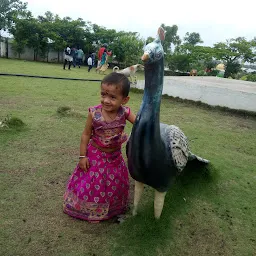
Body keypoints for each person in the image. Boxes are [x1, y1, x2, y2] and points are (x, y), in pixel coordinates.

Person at [63, 72, 136, 222]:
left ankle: (113, 208)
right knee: (93, 184)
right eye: (103, 95)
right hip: (95, 156)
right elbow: (85, 135)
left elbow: (141, 124)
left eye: (113, 97)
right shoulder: (94, 113)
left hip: (115, 158)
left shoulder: (125, 113)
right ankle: (88, 209)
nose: (106, 100)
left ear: (125, 99)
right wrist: (82, 156)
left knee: (114, 184)